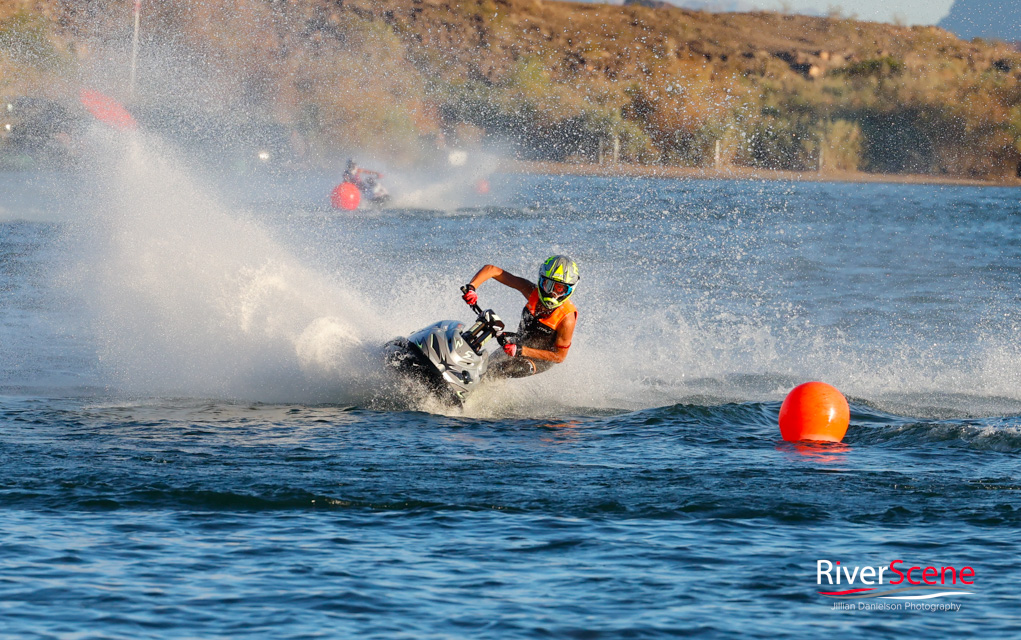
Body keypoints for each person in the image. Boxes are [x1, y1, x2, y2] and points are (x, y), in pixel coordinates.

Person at [462, 255, 579, 378]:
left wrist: (521, 350)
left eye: (560, 289)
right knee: (485, 365)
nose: (552, 294)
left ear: (570, 290)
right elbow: (492, 270)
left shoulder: (567, 318)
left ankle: (473, 395)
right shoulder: (531, 291)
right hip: (517, 343)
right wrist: (472, 287)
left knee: (500, 370)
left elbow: (559, 356)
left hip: (539, 359)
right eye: (548, 285)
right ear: (541, 281)